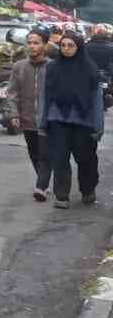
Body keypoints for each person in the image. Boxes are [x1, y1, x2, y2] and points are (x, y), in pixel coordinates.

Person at [42, 30, 103, 209]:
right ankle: (62, 196)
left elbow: (96, 101)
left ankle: (88, 189)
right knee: (59, 159)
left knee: (86, 159)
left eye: (71, 45)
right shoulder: (52, 67)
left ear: (79, 47)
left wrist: (98, 127)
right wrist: (42, 122)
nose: (67, 49)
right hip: (57, 118)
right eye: (63, 45)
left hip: (83, 122)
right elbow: (44, 96)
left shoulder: (89, 69)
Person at [6, 27, 53, 201]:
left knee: (45, 154)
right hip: (27, 119)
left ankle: (40, 186)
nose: (32, 46)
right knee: (34, 153)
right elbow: (12, 92)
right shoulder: (19, 67)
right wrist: (14, 114)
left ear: (45, 45)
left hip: (48, 120)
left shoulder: (53, 67)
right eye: (29, 42)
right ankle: (44, 182)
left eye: (36, 43)